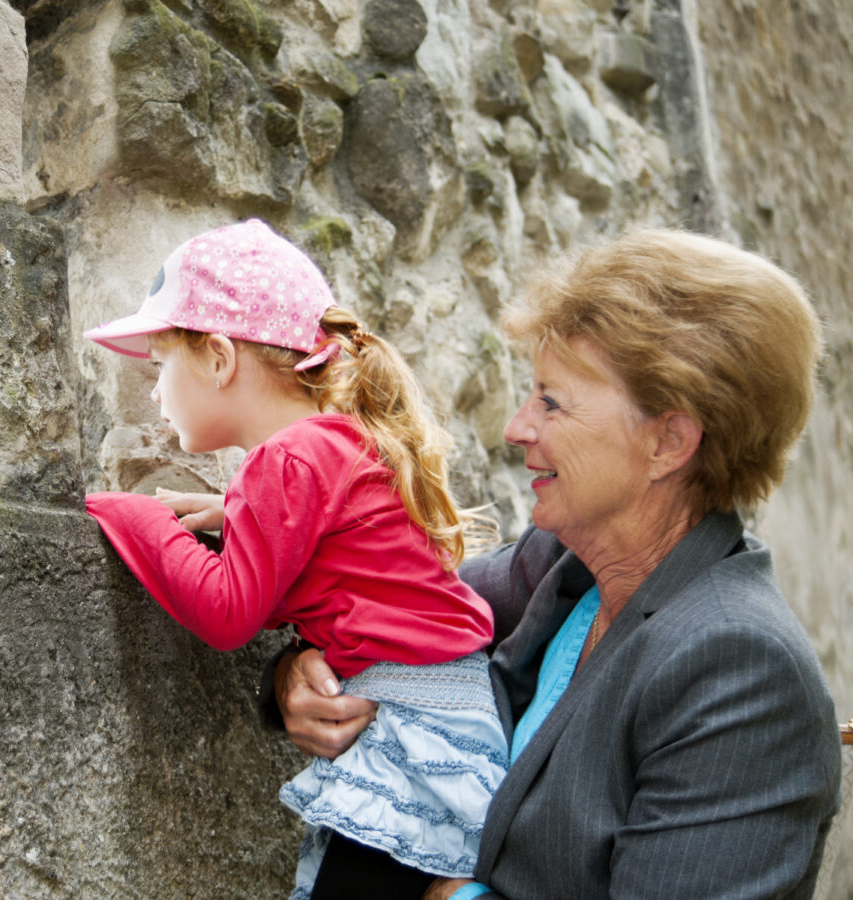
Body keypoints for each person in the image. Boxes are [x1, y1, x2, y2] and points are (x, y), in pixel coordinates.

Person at [271, 228, 844, 899]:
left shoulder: (742, 672)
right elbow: (381, 616)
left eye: (551, 400)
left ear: (669, 441)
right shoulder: (562, 568)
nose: (516, 427)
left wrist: (444, 896)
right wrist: (291, 679)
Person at [82, 219, 508, 899]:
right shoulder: (334, 445)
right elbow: (341, 554)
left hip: (409, 733)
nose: (156, 394)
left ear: (219, 359)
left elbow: (227, 613)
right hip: (448, 725)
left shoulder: (287, 457)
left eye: (161, 364)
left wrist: (123, 511)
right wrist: (237, 514)